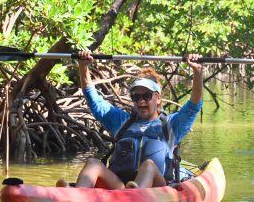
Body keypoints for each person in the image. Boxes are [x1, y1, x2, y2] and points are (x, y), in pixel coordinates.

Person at [57, 51, 203, 189]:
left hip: (157, 190)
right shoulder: (121, 122)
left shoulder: (172, 125)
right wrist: (83, 67)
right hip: (122, 188)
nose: (141, 101)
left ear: (158, 98)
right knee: (93, 163)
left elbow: (194, 106)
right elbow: (93, 100)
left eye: (146, 96)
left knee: (149, 166)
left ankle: (133, 196)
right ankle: (75, 198)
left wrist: (197, 72)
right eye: (136, 97)